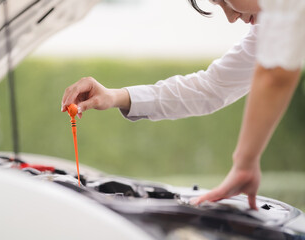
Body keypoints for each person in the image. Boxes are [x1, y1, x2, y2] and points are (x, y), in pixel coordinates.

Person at [61, 0, 305, 209]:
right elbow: (211, 87)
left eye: (225, 0)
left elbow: (275, 74)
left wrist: (245, 162)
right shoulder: (276, 24)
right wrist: (115, 96)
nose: (231, 17)